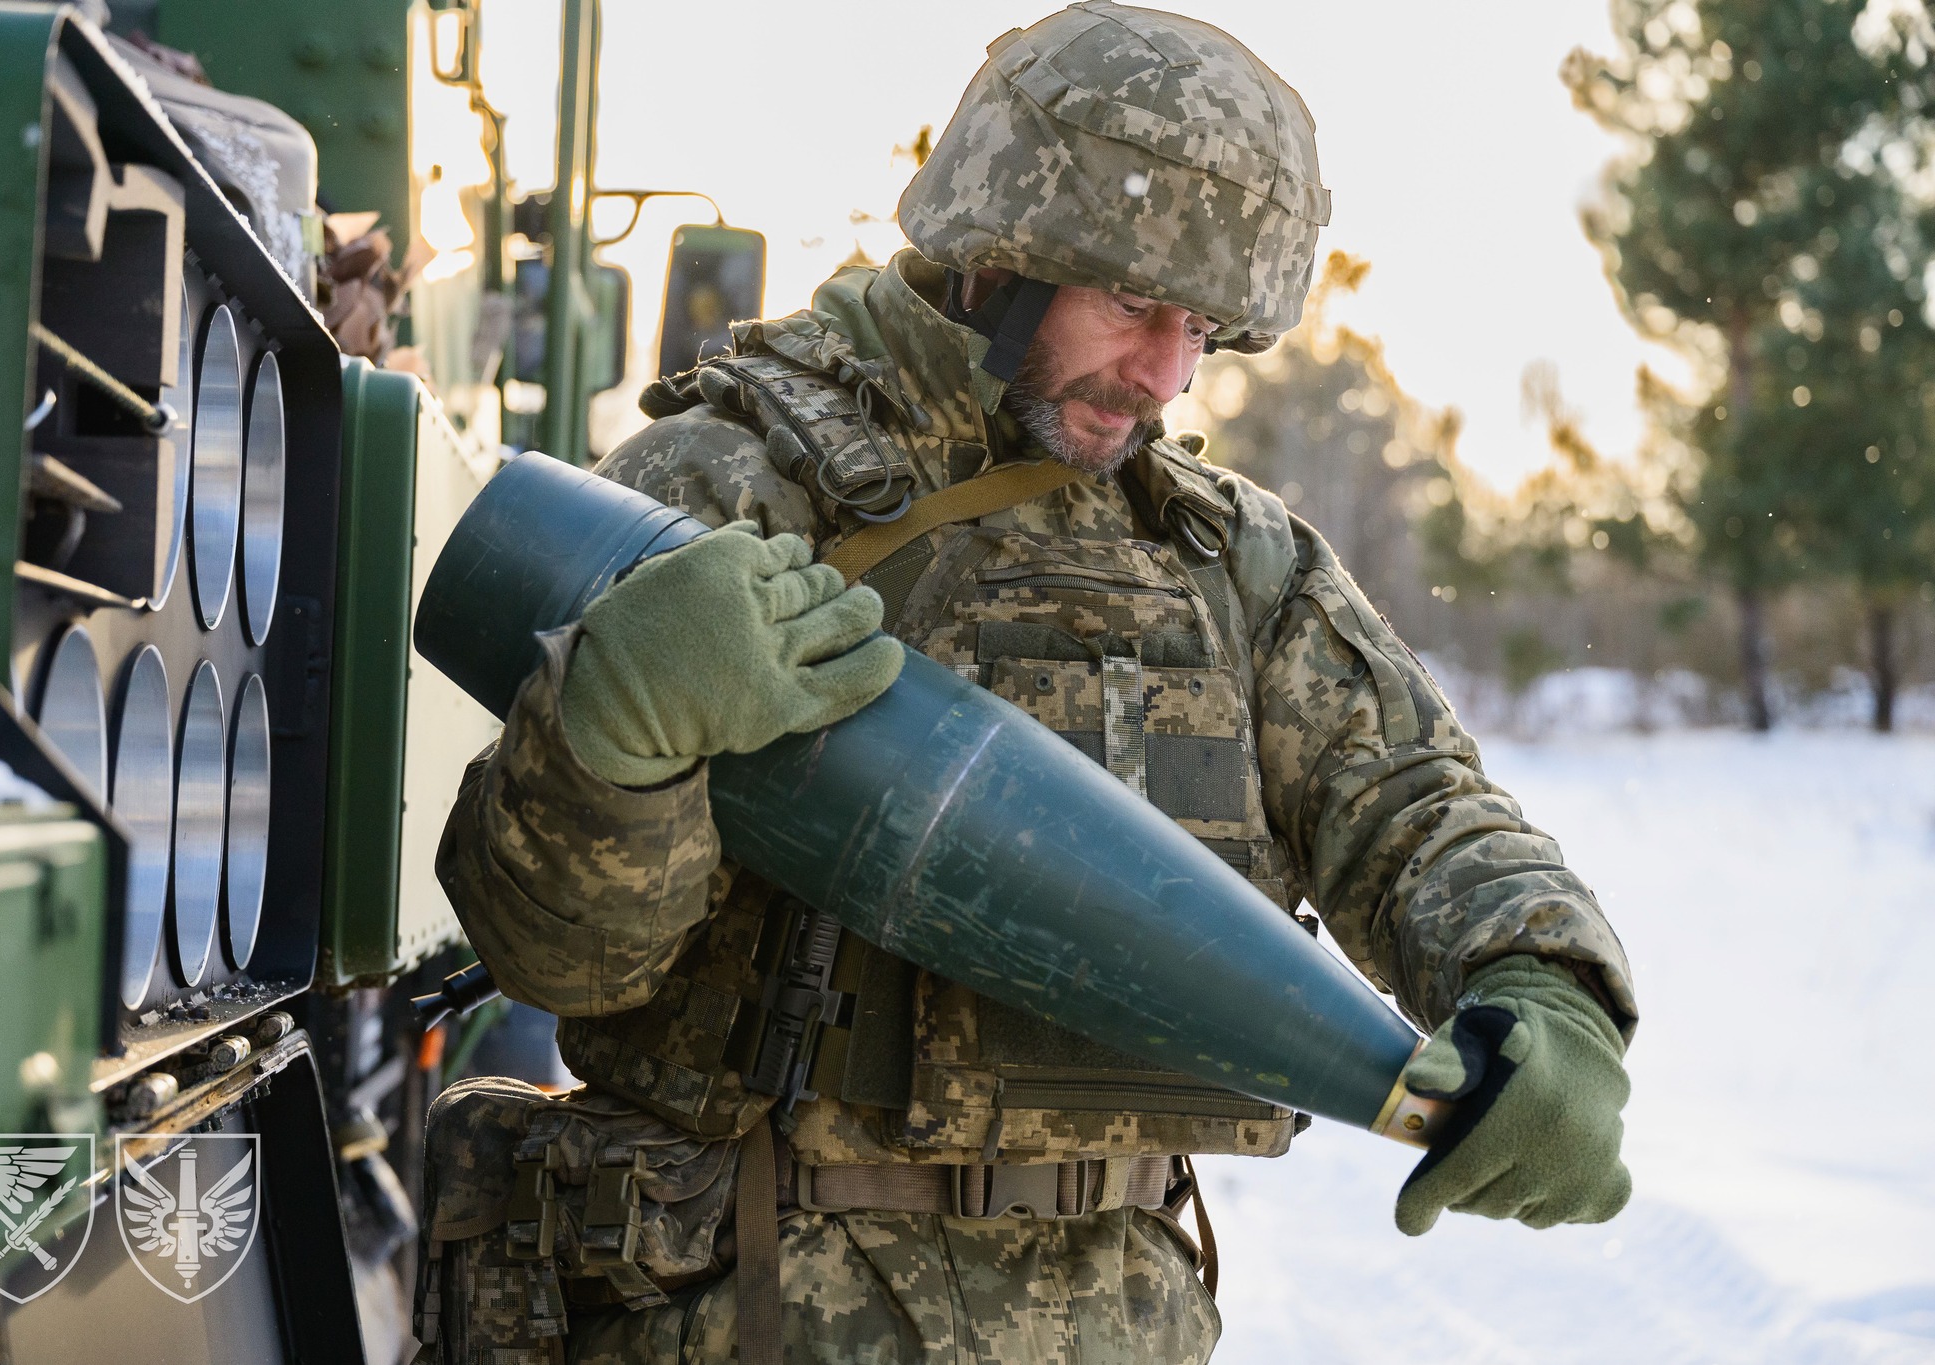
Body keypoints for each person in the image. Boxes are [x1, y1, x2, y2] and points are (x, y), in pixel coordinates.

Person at [420, 4, 1637, 1362]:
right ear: (997, 253)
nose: (1168, 372)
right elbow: (563, 961)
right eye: (1132, 304)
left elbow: (1415, 805)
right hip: (752, 1308)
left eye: (1203, 327)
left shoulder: (1226, 561)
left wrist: (1543, 976)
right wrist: (613, 736)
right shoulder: (726, 486)